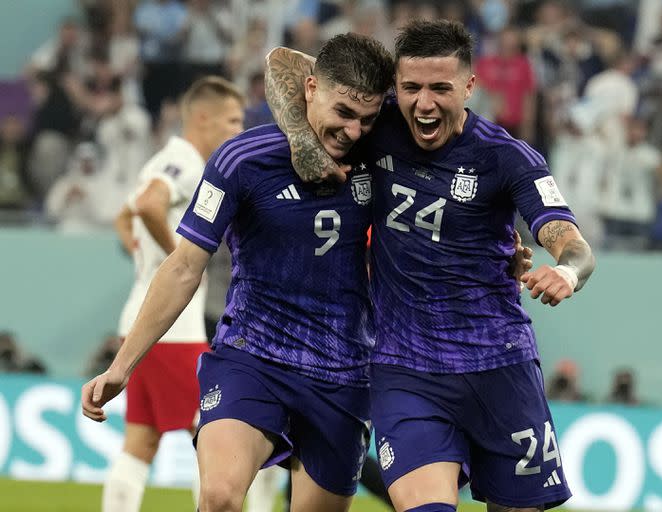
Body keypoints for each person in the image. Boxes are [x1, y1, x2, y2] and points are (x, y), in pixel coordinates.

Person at [266, 20, 595, 512]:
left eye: (440, 88)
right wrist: (305, 142)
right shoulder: (378, 128)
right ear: (394, 88)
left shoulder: (507, 159)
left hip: (499, 367)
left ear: (469, 85)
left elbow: (575, 247)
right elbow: (283, 67)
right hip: (406, 370)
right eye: (410, 88)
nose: (424, 103)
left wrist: (565, 272)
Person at [82, 33, 394, 512]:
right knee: (220, 496)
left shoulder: (380, 157)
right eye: (344, 114)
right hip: (253, 357)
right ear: (310, 89)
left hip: (343, 372)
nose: (353, 131)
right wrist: (122, 364)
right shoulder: (241, 160)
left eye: (366, 120)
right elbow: (184, 265)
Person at [100, 76, 245, 512]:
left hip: (140, 324)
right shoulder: (184, 160)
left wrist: (143, 254)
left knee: (140, 444)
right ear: (203, 118)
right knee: (216, 435)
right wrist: (178, 259)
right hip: (172, 330)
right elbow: (147, 204)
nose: (239, 131)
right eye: (233, 120)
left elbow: (125, 217)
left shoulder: (162, 159)